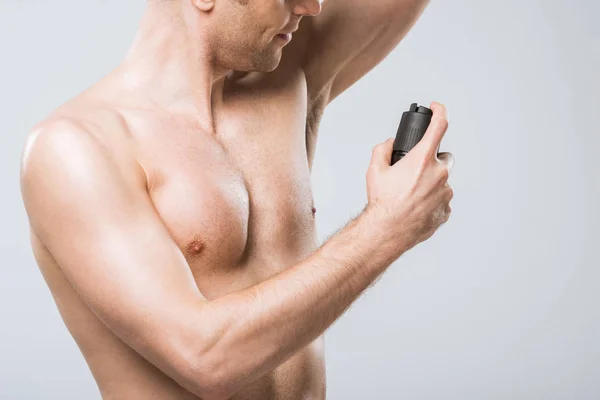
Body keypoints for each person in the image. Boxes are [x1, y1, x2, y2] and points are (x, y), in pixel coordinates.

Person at [19, 0, 454, 399]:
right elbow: (206, 359)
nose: (312, 6)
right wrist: (387, 226)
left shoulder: (286, 80)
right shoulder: (76, 149)